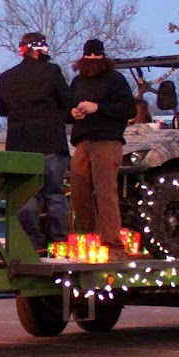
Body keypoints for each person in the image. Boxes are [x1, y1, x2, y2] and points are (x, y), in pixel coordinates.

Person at [0, 32, 75, 252]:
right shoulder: (52, 72)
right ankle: (59, 242)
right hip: (50, 141)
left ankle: (33, 242)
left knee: (26, 196)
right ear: (39, 50)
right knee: (55, 194)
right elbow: (68, 101)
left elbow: (3, 110)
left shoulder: (7, 76)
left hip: (19, 145)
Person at [67, 39, 136, 257]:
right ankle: (88, 238)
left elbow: (128, 109)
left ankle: (113, 244)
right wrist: (73, 113)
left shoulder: (115, 80)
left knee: (105, 193)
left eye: (96, 56)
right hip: (82, 142)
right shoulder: (77, 82)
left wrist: (98, 108)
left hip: (107, 142)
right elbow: (67, 106)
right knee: (78, 193)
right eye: (89, 56)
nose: (93, 60)